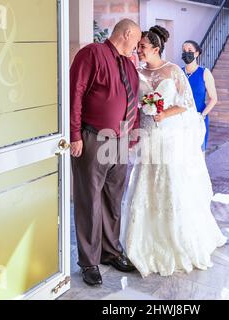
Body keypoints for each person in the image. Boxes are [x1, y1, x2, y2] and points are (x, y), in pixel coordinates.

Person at [122, 26, 227, 278]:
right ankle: (140, 242)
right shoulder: (138, 72)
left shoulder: (173, 71)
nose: (139, 50)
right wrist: (141, 109)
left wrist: (162, 113)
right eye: (138, 47)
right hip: (147, 137)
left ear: (156, 48)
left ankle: (174, 241)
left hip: (167, 136)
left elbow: (186, 105)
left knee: (169, 183)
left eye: (143, 47)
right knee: (143, 184)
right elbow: (134, 102)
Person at [69, 19, 142, 286]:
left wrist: (131, 133)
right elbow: (74, 94)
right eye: (136, 40)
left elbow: (132, 96)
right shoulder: (92, 54)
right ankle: (89, 261)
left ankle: (110, 252)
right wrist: (74, 134)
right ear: (127, 34)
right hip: (93, 138)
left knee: (113, 200)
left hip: (120, 141)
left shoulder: (128, 64)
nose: (137, 46)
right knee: (90, 200)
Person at [182, 40, 218, 152]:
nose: (186, 53)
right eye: (184, 51)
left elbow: (213, 99)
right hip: (181, 119)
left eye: (189, 50)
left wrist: (201, 116)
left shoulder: (204, 72)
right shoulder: (178, 72)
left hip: (198, 119)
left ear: (196, 53)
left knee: (198, 153)